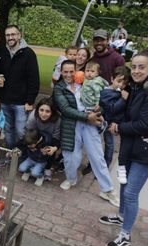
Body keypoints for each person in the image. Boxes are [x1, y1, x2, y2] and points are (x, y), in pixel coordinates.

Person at [100, 51, 148, 246]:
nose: (137, 71)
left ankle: (125, 234)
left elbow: (145, 124)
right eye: (135, 67)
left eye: (142, 67)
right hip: (131, 147)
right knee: (123, 182)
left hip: (145, 151)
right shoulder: (137, 87)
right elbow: (126, 113)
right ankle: (121, 215)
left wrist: (119, 128)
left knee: (131, 192)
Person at [52, 60, 119, 207]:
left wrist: (99, 107)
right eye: (65, 72)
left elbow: (102, 95)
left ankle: (107, 189)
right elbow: (65, 109)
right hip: (72, 125)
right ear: (61, 72)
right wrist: (86, 117)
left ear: (76, 71)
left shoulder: (84, 82)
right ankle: (71, 179)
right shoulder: (59, 88)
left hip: (90, 123)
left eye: (71, 71)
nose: (69, 74)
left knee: (97, 157)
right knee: (71, 157)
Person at [83, 28, 125, 176]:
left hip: (110, 106)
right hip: (95, 106)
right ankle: (91, 163)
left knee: (108, 139)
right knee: (93, 139)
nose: (99, 42)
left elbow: (122, 81)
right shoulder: (93, 59)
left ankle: (104, 167)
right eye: (96, 40)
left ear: (107, 40)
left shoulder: (117, 58)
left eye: (102, 39)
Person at [2, 25, 40, 156]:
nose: (10, 37)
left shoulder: (28, 53)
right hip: (5, 101)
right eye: (8, 35)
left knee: (20, 131)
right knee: (8, 130)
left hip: (21, 102)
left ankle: (21, 156)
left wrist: (30, 100)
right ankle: (9, 155)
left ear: (19, 36)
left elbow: (34, 79)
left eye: (13, 34)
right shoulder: (3, 52)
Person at [99, 66, 131, 183]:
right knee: (101, 145)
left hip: (114, 124)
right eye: (118, 81)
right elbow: (112, 109)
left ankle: (105, 167)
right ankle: (100, 167)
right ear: (112, 78)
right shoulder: (106, 92)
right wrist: (123, 100)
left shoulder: (122, 92)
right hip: (105, 123)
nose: (120, 85)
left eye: (124, 83)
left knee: (110, 145)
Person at [26, 97, 61, 181]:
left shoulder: (58, 120)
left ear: (52, 112)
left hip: (51, 138)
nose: (44, 114)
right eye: (41, 110)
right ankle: (31, 163)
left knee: (50, 149)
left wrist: (55, 148)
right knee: (31, 145)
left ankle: (47, 168)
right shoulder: (33, 117)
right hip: (36, 136)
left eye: (47, 111)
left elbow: (57, 139)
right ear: (37, 109)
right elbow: (29, 134)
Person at [80, 61, 109, 133]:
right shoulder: (87, 79)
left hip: (92, 103)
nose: (89, 73)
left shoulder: (95, 82)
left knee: (92, 116)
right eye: (87, 71)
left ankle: (101, 124)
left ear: (97, 73)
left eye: (92, 71)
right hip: (87, 101)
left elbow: (98, 93)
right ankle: (102, 123)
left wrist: (97, 103)